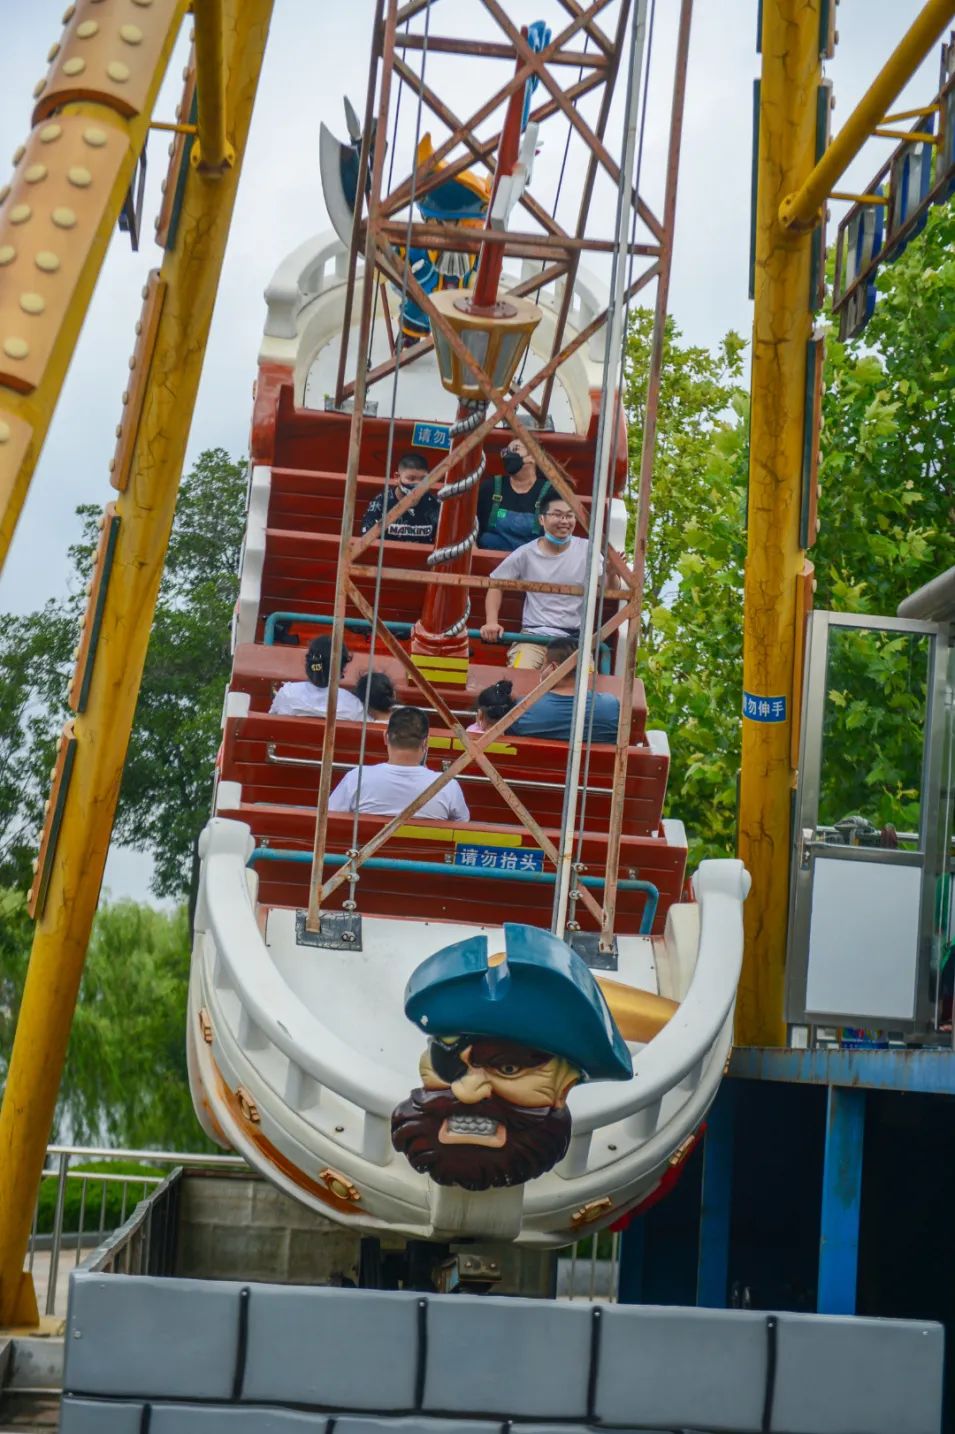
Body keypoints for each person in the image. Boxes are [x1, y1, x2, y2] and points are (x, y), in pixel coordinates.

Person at [479, 494, 599, 669]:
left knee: (585, 688)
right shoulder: (526, 553)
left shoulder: (588, 549)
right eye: (557, 515)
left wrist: (612, 573)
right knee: (520, 676)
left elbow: (611, 587)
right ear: (542, 519)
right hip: (533, 636)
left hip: (573, 639)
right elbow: (496, 583)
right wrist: (491, 622)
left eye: (569, 515)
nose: (564, 521)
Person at [328, 706, 470, 821]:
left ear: (385, 737)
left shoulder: (356, 778)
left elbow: (331, 817)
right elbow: (462, 824)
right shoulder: (447, 785)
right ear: (426, 743)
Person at [510, 637, 620, 742]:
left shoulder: (522, 709)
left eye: (543, 665)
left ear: (553, 668)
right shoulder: (612, 707)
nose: (542, 670)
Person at [476, 439, 555, 551]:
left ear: (532, 457)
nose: (508, 454)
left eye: (515, 449)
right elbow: (468, 523)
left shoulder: (550, 492)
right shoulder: (490, 487)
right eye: (505, 451)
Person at [269, 635, 365, 720]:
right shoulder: (353, 705)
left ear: (308, 664)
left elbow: (271, 723)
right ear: (341, 669)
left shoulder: (287, 693)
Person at [360, 452, 439, 543]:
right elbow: (366, 539)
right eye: (411, 479)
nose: (417, 484)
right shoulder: (381, 503)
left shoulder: (434, 504)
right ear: (397, 477)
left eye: (423, 479)